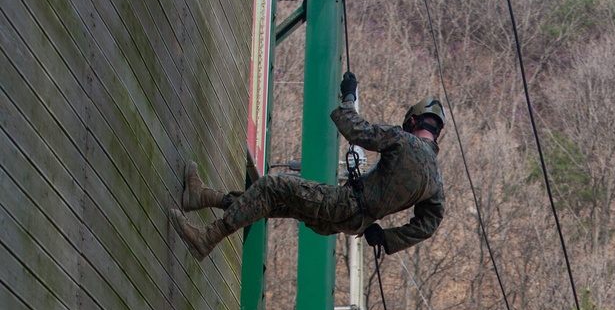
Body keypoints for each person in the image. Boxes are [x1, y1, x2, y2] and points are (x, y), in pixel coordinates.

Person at [170, 72, 446, 261]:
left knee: (271, 185)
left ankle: (207, 237)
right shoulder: (435, 180)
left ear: (412, 121)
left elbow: (355, 129)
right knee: (268, 202)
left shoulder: (402, 139)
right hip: (353, 222)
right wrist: (387, 237)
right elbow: (428, 225)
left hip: (345, 202)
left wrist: (349, 96)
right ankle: (202, 197)